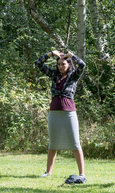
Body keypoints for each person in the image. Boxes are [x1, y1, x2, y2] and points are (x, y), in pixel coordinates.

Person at [34, 50, 87, 183]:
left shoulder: (74, 76)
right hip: (54, 113)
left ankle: (81, 174)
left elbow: (83, 65)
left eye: (63, 64)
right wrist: (50, 54)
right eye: (58, 64)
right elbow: (37, 63)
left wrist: (72, 56)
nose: (60, 67)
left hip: (69, 112)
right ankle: (48, 172)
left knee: (75, 143)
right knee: (53, 144)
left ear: (68, 65)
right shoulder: (54, 75)